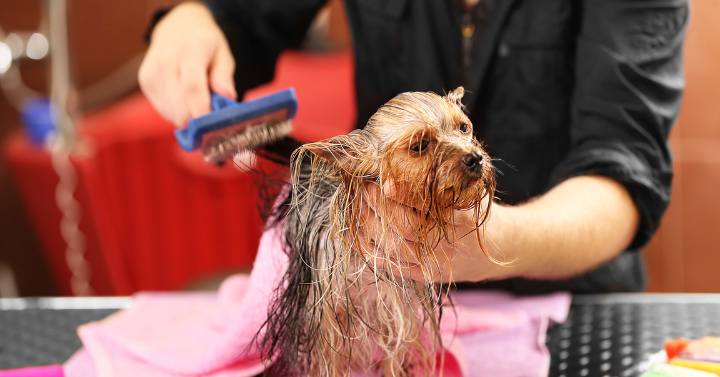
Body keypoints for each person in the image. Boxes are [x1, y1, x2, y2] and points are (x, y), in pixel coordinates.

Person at [139, 0, 689, 293]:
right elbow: (242, 15)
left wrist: (495, 242)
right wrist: (197, 19)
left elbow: (624, 165)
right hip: (382, 285)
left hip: (569, 295)